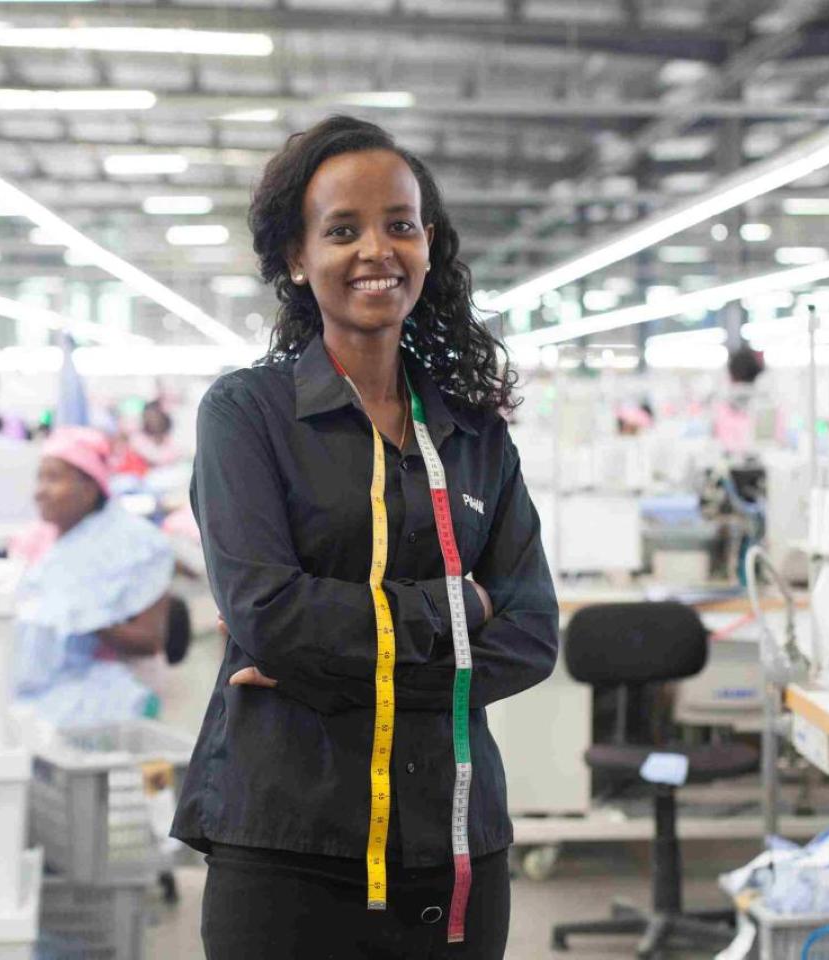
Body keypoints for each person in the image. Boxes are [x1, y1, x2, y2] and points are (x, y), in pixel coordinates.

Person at [172, 116, 558, 960]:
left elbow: (531, 636)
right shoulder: (247, 416)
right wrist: (459, 607)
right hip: (290, 848)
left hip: (454, 844)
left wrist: (331, 677)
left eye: (400, 224)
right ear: (294, 259)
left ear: (428, 244)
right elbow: (270, 615)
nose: (376, 249)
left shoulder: (473, 434)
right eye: (342, 230)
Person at [10, 426, 190, 729]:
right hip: (37, 684)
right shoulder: (33, 542)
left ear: (90, 486)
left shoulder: (139, 545)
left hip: (109, 683)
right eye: (40, 477)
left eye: (53, 478)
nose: (39, 491)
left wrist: (88, 615)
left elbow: (149, 641)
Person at [129, 399, 182, 469]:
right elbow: (154, 458)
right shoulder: (137, 438)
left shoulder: (174, 435)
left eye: (156, 416)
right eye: (149, 416)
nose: (153, 420)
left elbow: (179, 452)